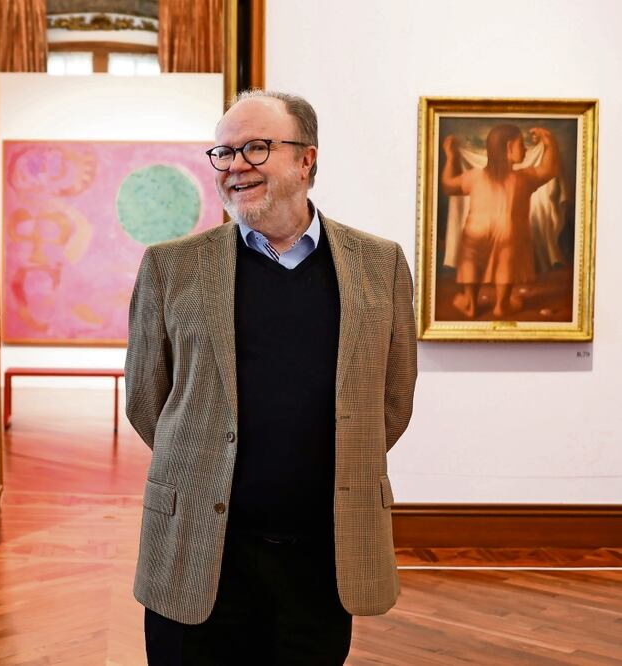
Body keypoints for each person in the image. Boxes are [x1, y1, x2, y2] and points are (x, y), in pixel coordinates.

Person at [125, 89, 417, 664]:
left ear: (307, 159)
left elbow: (393, 398)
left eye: (255, 149)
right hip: (197, 551)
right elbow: (146, 398)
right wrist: (202, 463)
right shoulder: (171, 267)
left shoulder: (379, 265)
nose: (235, 166)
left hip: (320, 557)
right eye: (224, 152)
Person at [441, 124, 561, 318]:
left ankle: (470, 304)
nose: (525, 149)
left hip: (476, 230)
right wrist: (550, 142)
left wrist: (451, 157)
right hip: (509, 231)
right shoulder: (524, 178)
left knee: (471, 260)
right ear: (508, 147)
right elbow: (549, 169)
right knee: (506, 262)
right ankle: (502, 305)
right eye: (521, 144)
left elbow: (448, 186)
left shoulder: (475, 177)